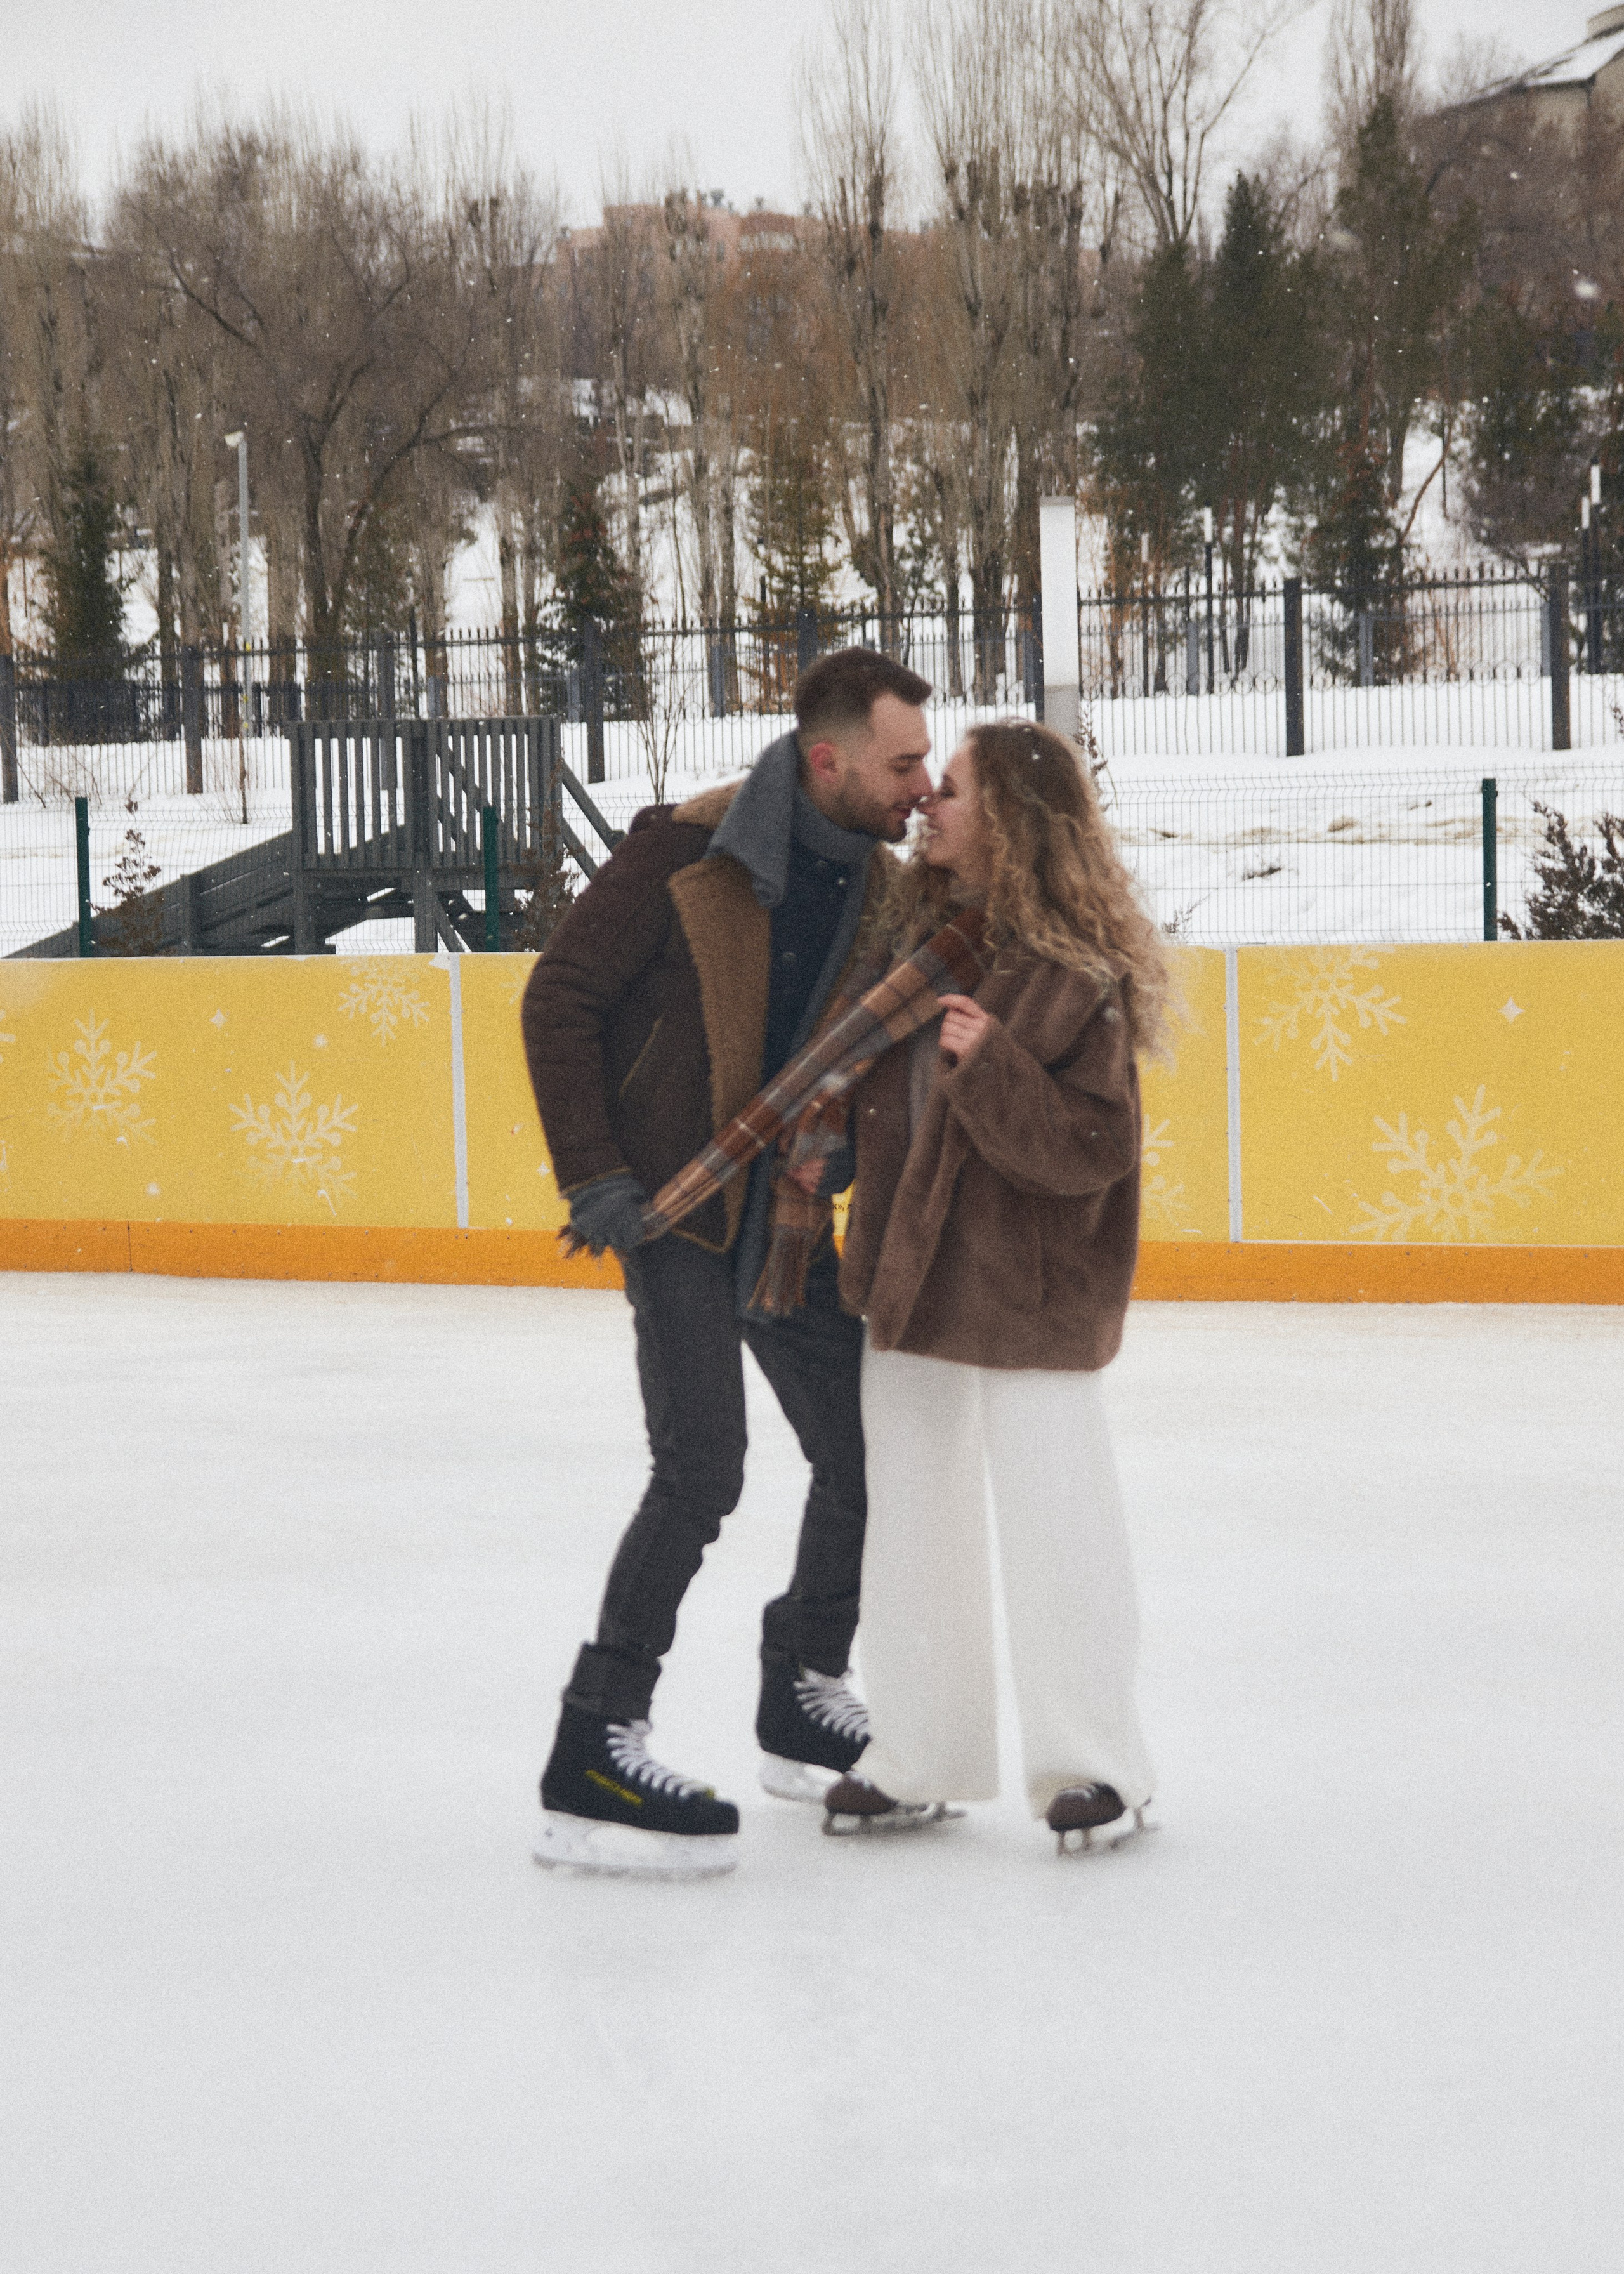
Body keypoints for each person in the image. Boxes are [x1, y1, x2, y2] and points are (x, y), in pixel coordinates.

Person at [521, 647, 934, 1877]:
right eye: (902, 761)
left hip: (792, 1213)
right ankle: (594, 1744)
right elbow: (558, 1001)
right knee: (702, 1468)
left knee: (868, 1446)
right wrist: (596, 1172)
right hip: (678, 1209)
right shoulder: (683, 852)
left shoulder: (886, 892)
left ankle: (801, 1689)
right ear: (828, 760)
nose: (922, 782)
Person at [817, 718, 1172, 1852]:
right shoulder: (907, 953)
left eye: (954, 788)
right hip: (912, 1283)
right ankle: (919, 1753)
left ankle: (1098, 1767)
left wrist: (995, 1067)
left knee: (1059, 1527)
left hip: (1030, 1294)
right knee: (912, 1532)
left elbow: (1093, 1148)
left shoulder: (1072, 977)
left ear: (1012, 822)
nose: (929, 802)